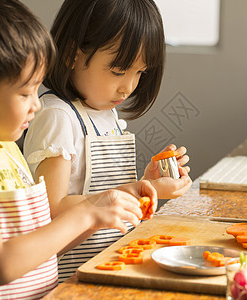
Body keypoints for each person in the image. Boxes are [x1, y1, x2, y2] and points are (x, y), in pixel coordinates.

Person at [0, 0, 157, 299]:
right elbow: (0, 266)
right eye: (25, 92)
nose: (38, 103)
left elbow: (47, 245)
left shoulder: (7, 151)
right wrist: (86, 214)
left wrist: (99, 211)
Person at [23, 0, 192, 282]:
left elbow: (103, 191)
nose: (129, 86)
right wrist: (136, 192)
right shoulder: (59, 117)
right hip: (72, 274)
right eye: (118, 71)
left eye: (140, 72)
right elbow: (50, 211)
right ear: (71, 55)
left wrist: (145, 183)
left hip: (108, 263)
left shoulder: (105, 112)